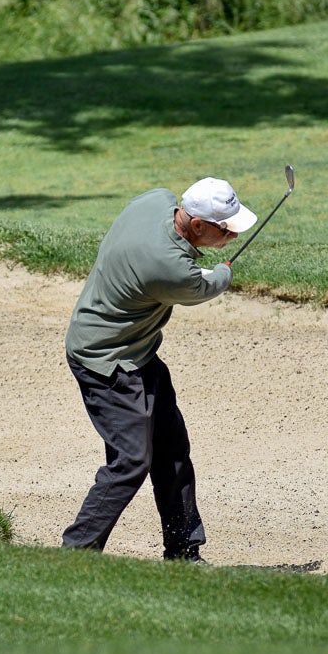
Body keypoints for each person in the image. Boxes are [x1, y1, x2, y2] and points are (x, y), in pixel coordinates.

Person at [62, 176, 257, 562]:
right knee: (132, 461)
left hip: (138, 354)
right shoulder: (170, 268)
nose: (232, 236)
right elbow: (207, 285)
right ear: (197, 225)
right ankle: (74, 554)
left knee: (172, 453)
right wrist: (225, 273)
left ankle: (183, 552)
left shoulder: (154, 201)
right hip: (106, 361)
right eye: (226, 229)